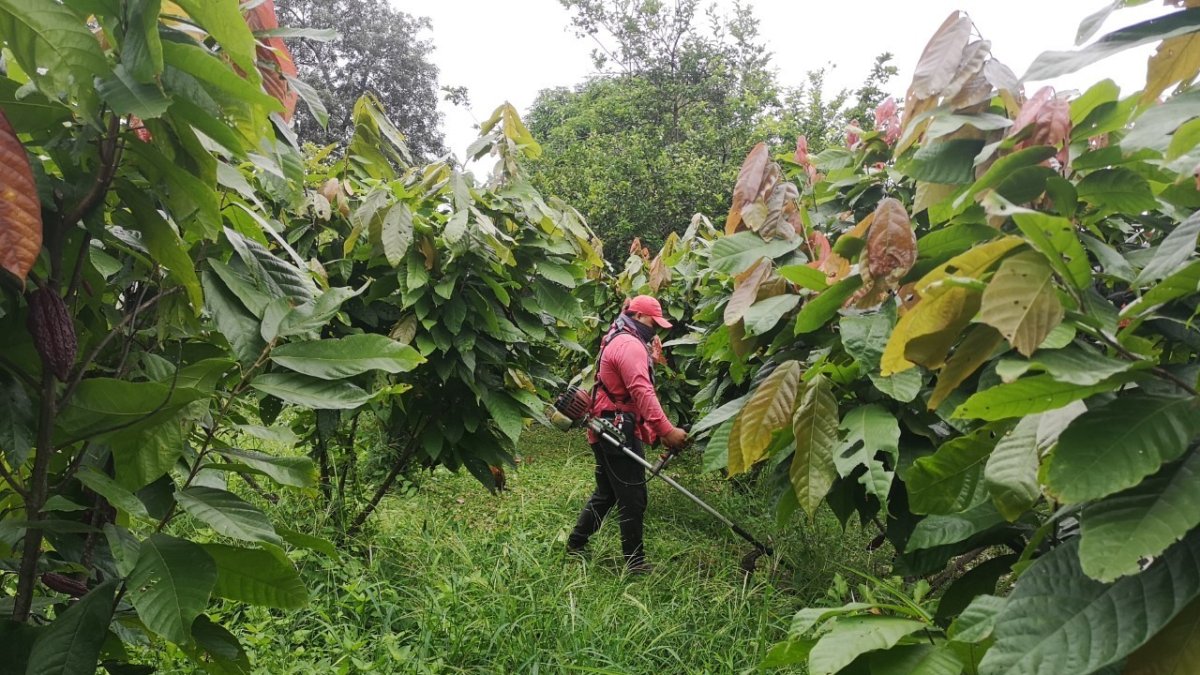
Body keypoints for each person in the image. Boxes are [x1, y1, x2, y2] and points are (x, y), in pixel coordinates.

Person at [566, 294, 688, 573]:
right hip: (616, 430)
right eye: (652, 322)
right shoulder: (629, 344)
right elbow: (641, 391)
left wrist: (651, 360)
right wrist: (667, 431)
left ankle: (576, 543)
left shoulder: (618, 336)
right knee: (633, 497)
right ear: (638, 316)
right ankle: (635, 563)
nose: (655, 329)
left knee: (608, 492)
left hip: (606, 425)